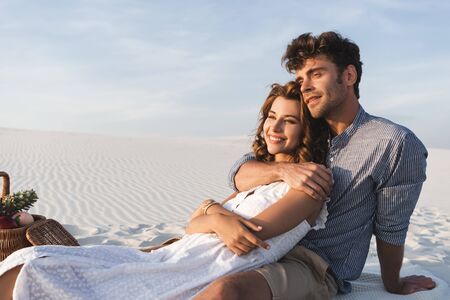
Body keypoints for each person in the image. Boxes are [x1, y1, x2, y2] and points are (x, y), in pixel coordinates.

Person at [0, 82, 330, 300]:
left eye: (289, 120)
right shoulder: (259, 176)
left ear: (306, 129)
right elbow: (192, 224)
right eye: (272, 116)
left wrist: (213, 213)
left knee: (56, 274)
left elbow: (251, 235)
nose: (274, 127)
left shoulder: (310, 186)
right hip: (176, 254)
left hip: (202, 267)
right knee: (34, 261)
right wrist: (215, 215)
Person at [195, 32, 436, 300]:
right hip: (262, 246)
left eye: (316, 74)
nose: (304, 86)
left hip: (312, 264)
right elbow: (241, 170)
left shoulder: (393, 142)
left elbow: (391, 226)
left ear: (348, 76)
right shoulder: (304, 125)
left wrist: (393, 283)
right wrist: (283, 170)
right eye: (301, 79)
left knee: (226, 292)